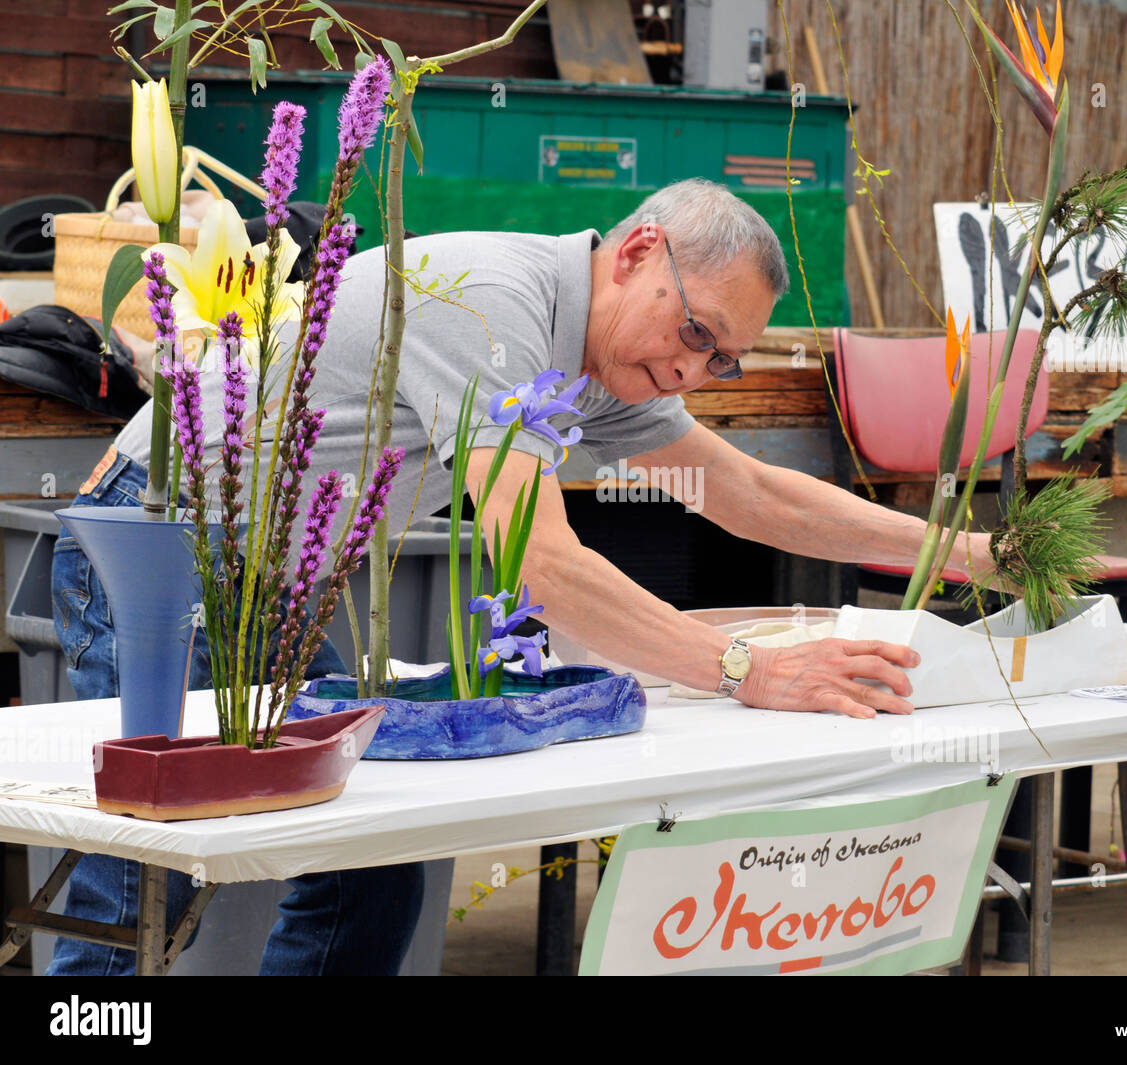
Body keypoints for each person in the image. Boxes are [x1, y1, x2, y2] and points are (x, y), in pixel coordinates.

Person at [50, 177, 998, 974]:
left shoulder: (607, 362)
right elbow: (540, 560)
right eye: (698, 333)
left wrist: (969, 552)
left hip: (280, 580)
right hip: (162, 546)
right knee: (141, 880)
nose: (696, 371)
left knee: (366, 868)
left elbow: (747, 492)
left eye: (724, 357)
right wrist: (752, 666)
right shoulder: (492, 301)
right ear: (637, 252)